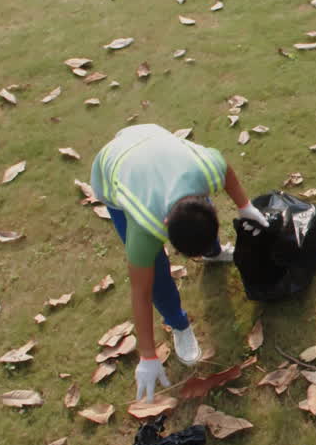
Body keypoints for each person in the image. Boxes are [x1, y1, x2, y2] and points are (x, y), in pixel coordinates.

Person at [91, 124, 269, 403]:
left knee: (197, 228)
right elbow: (141, 291)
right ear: (164, 226)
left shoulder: (206, 169)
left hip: (153, 138)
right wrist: (147, 356)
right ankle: (178, 323)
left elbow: (227, 173)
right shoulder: (144, 224)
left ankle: (212, 252)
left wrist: (245, 206)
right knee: (156, 273)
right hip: (116, 164)